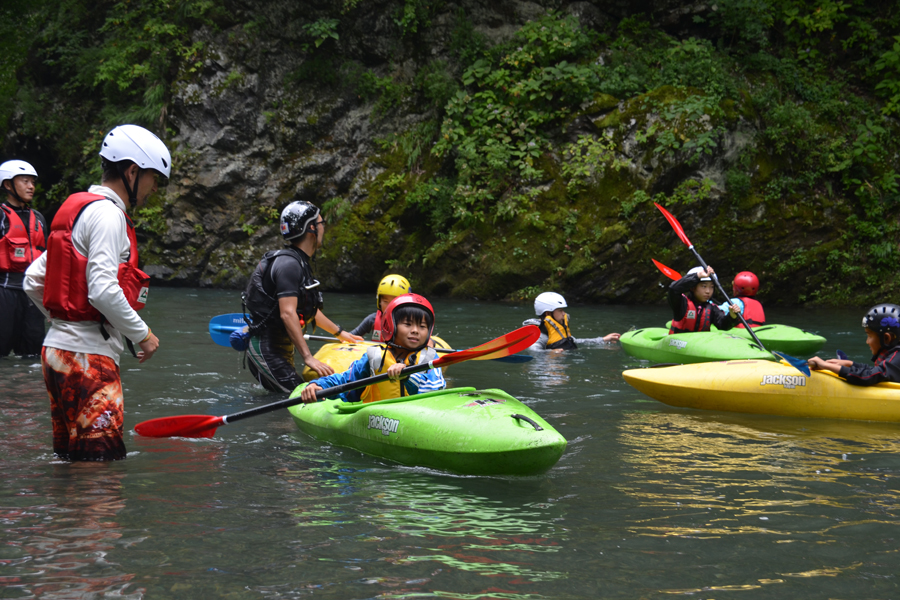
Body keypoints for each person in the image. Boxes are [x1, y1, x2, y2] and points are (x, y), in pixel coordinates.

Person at [23, 124, 168, 461]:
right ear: (132, 171)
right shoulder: (109, 215)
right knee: (100, 474)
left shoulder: (78, 210)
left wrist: (65, 323)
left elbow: (33, 279)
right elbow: (103, 290)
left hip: (57, 354)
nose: (155, 188)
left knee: (72, 463)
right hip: (88, 360)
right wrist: (143, 334)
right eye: (153, 178)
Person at [243, 200, 364, 393]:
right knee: (297, 399)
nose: (324, 229)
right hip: (267, 351)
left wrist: (340, 333)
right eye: (322, 224)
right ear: (312, 228)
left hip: (280, 348)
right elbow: (287, 313)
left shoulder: (299, 263)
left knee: (293, 398)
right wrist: (308, 357)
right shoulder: (289, 265)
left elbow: (309, 311)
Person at [300, 293, 445, 403]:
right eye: (407, 324)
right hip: (378, 419)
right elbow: (346, 381)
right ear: (390, 325)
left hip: (416, 418)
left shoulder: (430, 358)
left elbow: (435, 389)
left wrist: (407, 376)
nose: (415, 330)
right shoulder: (375, 357)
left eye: (422, 326)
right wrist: (318, 385)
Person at [0, 160, 48, 358]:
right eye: (25, 181)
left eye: (33, 182)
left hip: (32, 295)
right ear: (8, 185)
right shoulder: (1, 216)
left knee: (34, 356)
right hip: (4, 292)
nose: (31, 187)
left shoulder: (38, 218)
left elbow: (47, 260)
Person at [808, 303, 900, 385]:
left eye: (869, 336)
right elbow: (876, 371)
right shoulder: (895, 356)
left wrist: (827, 366)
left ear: (887, 338)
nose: (867, 342)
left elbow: (869, 376)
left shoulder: (897, 357)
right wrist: (850, 364)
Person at [524, 291, 620, 350]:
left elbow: (577, 341)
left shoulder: (560, 330)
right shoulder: (540, 336)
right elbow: (534, 350)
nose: (564, 314)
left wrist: (603, 339)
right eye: (560, 310)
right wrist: (550, 353)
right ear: (548, 314)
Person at [668, 266, 739, 333]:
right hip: (680, 343)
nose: (708, 291)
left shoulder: (712, 308)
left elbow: (723, 325)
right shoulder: (681, 303)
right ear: (692, 287)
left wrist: (732, 316)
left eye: (711, 287)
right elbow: (673, 289)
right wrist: (697, 276)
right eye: (704, 286)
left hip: (698, 343)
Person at [349, 274, 410, 341]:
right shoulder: (372, 319)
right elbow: (351, 336)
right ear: (379, 302)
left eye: (395, 302)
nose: (390, 306)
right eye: (386, 301)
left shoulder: (412, 322)